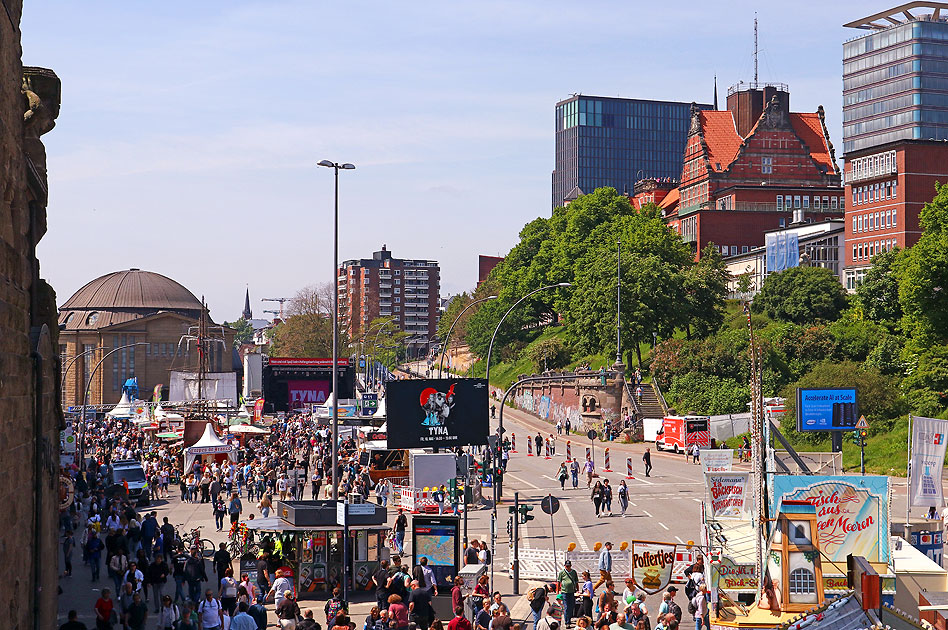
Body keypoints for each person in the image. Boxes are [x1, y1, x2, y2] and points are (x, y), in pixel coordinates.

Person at [557, 560, 578, 627]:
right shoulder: (562, 572)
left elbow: (576, 581)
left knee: (571, 606)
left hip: (572, 592)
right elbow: (558, 582)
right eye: (566, 566)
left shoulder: (574, 572)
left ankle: (569, 618)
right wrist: (557, 592)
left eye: (569, 566)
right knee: (566, 607)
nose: (567, 567)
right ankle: (567, 622)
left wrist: (577, 590)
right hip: (564, 592)